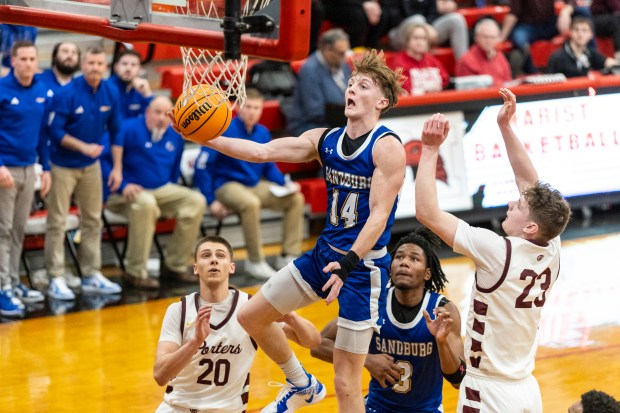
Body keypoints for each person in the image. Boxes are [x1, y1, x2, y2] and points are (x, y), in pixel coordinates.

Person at [172, 49, 406, 413]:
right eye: (350, 83)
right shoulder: (324, 139)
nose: (352, 90)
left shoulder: (387, 146)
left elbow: (379, 215)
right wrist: (204, 137)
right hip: (323, 255)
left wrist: (347, 265)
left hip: (361, 269)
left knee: (346, 382)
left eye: (363, 86)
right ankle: (301, 383)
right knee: (251, 316)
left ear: (382, 101)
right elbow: (261, 152)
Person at [414, 88, 571, 412]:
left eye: (519, 206)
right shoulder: (552, 245)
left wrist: (429, 151)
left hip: (488, 389)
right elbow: (529, 182)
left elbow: (427, 213)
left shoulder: (498, 251)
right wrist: (505, 127)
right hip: (527, 387)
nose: (512, 202)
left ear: (530, 227)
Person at [153, 235, 321, 413]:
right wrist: (194, 342)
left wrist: (291, 318)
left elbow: (313, 341)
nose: (214, 261)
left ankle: (301, 384)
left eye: (220, 255)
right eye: (206, 256)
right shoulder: (179, 310)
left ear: (232, 267)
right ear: (195, 268)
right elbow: (160, 375)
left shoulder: (250, 310)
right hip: (178, 408)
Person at [311, 228, 466, 413]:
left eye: (414, 259)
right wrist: (365, 360)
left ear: (427, 273)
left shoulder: (443, 311)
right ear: (390, 268)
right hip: (376, 408)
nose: (404, 263)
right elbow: (319, 345)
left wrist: (441, 342)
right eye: (399, 257)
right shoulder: (372, 303)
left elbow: (458, 380)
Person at [193, 88, 305, 280]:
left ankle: (288, 255)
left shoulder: (262, 132)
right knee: (251, 203)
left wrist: (285, 183)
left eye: (257, 108)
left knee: (295, 199)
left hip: (253, 185)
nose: (252, 111)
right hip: (227, 185)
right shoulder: (223, 127)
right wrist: (211, 200)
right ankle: (255, 261)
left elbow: (269, 166)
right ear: (239, 108)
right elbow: (202, 166)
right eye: (249, 107)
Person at [45, 47, 124, 301]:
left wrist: (118, 168)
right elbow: (55, 133)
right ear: (83, 64)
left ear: (105, 66)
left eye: (100, 63)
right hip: (63, 165)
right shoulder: (66, 93)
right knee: (57, 221)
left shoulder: (110, 90)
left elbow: (116, 129)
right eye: (90, 63)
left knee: (93, 220)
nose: (95, 67)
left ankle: (91, 274)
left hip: (92, 166)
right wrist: (84, 147)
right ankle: (55, 277)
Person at [105, 96, 206, 290]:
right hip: (122, 192)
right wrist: (123, 184)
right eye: (157, 112)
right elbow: (102, 161)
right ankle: (135, 272)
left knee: (196, 200)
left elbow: (174, 170)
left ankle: (174, 266)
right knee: (146, 203)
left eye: (166, 114)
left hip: (160, 189)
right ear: (147, 112)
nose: (161, 118)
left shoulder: (175, 134)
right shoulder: (127, 128)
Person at [0, 41, 50, 316]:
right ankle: (1, 287)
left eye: (32, 58)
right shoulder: (2, 89)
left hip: (29, 168)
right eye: (23, 58)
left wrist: (47, 167)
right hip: (5, 170)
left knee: (18, 228)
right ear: (13, 61)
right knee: (2, 230)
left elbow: (43, 134)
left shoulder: (42, 90)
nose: (28, 63)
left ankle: (12, 280)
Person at [286, 29, 352, 136]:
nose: (344, 57)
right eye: (341, 53)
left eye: (346, 52)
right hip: (309, 126)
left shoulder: (342, 64)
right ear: (327, 49)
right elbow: (315, 111)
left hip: (338, 121)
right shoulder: (310, 70)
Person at [499, 0, 583, 74]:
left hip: (549, 24)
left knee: (582, 13)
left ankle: (587, 59)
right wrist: (502, 37)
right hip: (527, 26)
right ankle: (530, 70)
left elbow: (572, 2)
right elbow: (514, 13)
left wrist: (566, 11)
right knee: (519, 39)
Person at [388, 0, 469, 60]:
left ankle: (463, 67)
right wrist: (424, 27)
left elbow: (432, 14)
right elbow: (393, 18)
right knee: (418, 19)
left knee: (457, 19)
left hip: (428, 29)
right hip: (399, 32)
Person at [547, 16, 619, 78]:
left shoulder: (590, 53)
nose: (580, 34)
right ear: (570, 32)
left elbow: (610, 63)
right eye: (576, 30)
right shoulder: (557, 57)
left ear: (591, 35)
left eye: (584, 30)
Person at [389, 23, 450, 95]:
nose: (420, 42)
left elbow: (445, 78)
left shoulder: (431, 59)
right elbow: (404, 87)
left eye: (424, 38)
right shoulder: (399, 62)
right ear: (408, 41)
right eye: (416, 38)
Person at [455, 18, 512, 86]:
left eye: (492, 37)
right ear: (476, 37)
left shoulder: (500, 56)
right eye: (485, 37)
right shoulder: (466, 60)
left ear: (497, 39)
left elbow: (508, 81)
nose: (488, 41)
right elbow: (467, 91)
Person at [109, 49, 153, 119]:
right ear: (116, 67)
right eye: (124, 64)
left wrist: (147, 94)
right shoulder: (106, 88)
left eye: (133, 65)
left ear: (140, 69)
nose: (128, 68)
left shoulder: (141, 89)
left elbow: (151, 120)